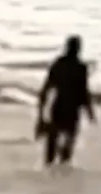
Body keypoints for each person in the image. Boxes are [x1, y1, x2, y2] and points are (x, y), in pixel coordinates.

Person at [36, 35, 96, 167]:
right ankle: (61, 166)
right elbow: (84, 92)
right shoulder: (80, 67)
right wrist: (90, 111)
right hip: (72, 109)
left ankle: (50, 168)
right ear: (79, 49)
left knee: (53, 142)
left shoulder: (59, 64)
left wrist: (40, 114)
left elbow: (46, 88)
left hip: (59, 106)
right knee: (67, 143)